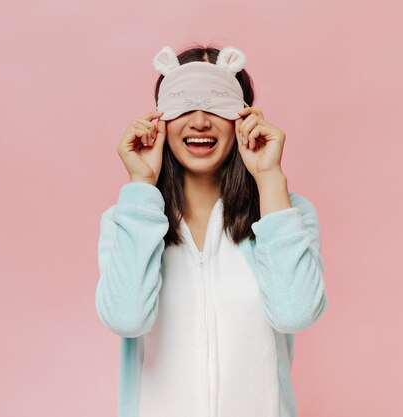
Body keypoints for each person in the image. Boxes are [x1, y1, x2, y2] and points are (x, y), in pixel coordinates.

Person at [95, 44, 328, 417]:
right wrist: (141, 185)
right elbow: (126, 317)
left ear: (244, 117)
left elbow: (295, 313)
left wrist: (269, 179)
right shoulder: (128, 220)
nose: (200, 121)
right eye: (184, 104)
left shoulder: (287, 213)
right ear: (160, 118)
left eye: (216, 104)